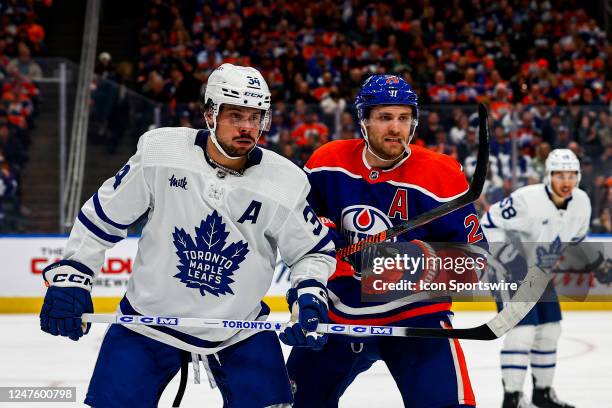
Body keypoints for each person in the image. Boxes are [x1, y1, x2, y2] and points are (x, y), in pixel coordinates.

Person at [39, 63, 336, 408]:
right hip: (145, 323)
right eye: (235, 115)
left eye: (255, 117)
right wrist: (73, 275)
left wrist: (310, 295)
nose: (247, 127)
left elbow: (311, 252)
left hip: (238, 329)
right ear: (210, 113)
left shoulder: (285, 181)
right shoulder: (160, 153)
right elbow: (102, 217)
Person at [284, 74, 485, 407]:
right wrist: (301, 304)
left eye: (404, 118)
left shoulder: (441, 174)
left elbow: (476, 261)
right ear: (363, 121)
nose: (396, 128)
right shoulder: (325, 163)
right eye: (385, 117)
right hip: (340, 315)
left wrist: (406, 262)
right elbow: (303, 240)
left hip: (416, 317)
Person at [481, 149, 591, 408]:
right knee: (523, 331)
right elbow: (488, 222)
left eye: (571, 175)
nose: (566, 181)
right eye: (560, 175)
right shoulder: (526, 199)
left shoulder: (582, 202)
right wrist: (508, 258)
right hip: (508, 271)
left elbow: (575, 238)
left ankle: (542, 393)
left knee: (551, 329)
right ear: (548, 176)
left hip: (538, 274)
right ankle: (513, 398)